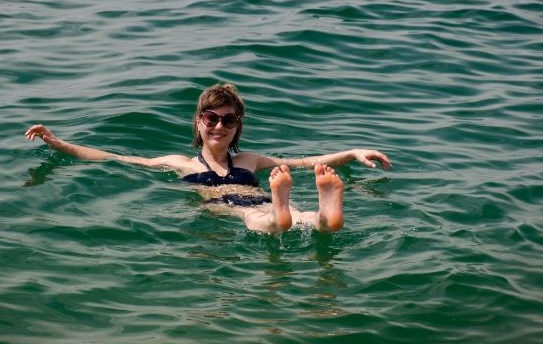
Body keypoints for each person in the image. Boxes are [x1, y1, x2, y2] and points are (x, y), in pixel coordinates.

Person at [24, 83, 392, 234]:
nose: (220, 126)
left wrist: (351, 153)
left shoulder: (249, 159)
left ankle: (323, 211)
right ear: (199, 122)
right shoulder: (181, 163)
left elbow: (306, 160)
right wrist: (59, 143)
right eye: (212, 118)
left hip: (258, 199)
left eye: (229, 120)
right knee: (263, 216)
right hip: (234, 204)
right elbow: (112, 157)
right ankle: (289, 210)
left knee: (298, 219)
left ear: (237, 126)